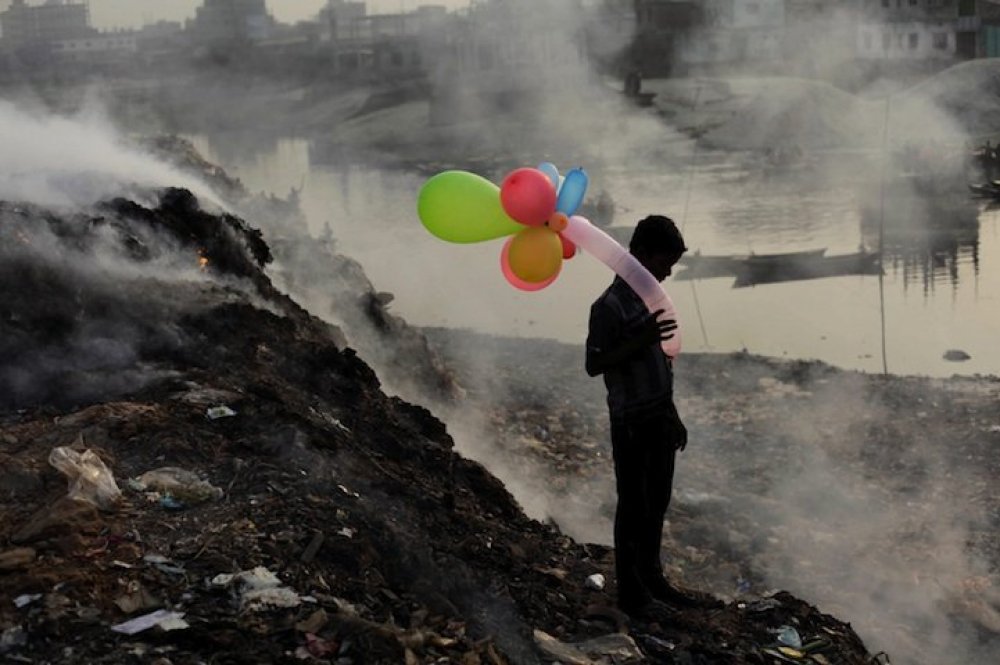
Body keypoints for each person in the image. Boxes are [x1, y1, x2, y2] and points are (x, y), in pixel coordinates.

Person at [585, 214, 715, 621]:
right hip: (630, 422)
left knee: (657, 501)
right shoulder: (609, 305)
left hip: (657, 416)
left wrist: (673, 414)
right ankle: (632, 593)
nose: (668, 272)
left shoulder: (653, 301)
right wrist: (641, 341)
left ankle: (651, 577)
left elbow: (664, 362)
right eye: (664, 262)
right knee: (633, 505)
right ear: (639, 256)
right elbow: (594, 364)